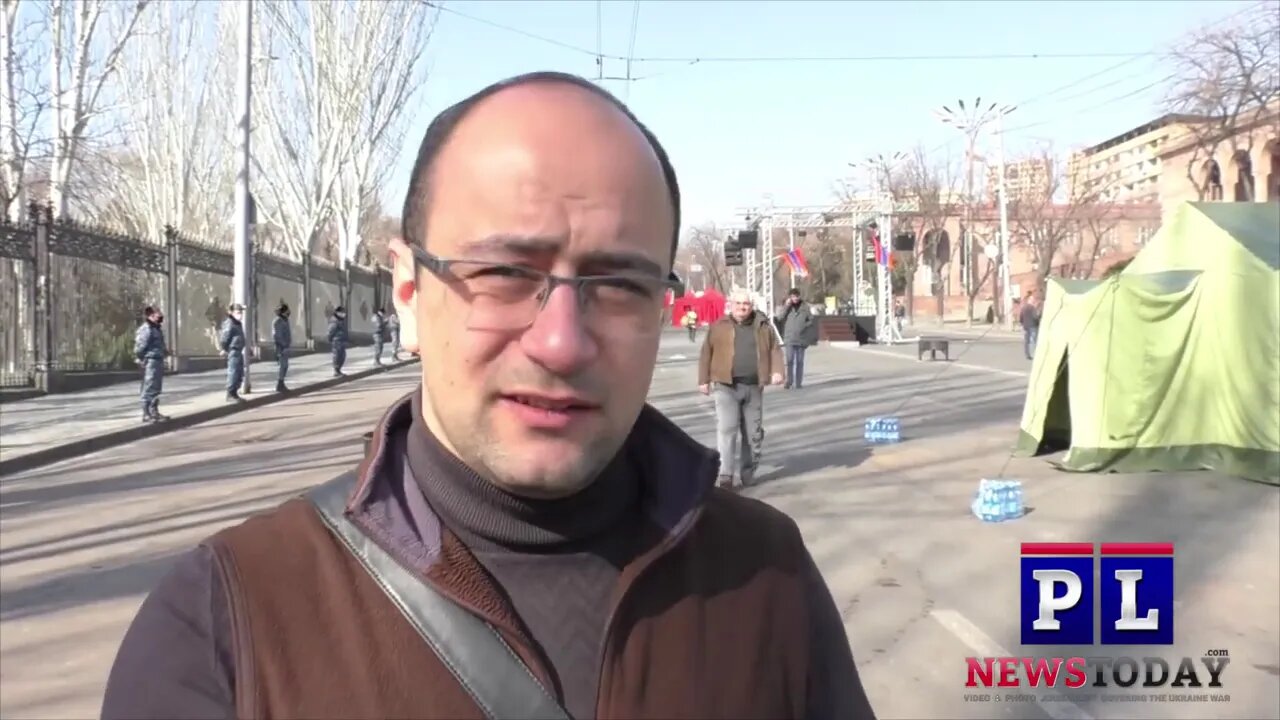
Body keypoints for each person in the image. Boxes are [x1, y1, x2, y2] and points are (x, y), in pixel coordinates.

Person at [101, 71, 876, 720]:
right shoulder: (226, 621)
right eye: (505, 274)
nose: (562, 342)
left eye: (619, 286)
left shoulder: (765, 576)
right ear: (407, 290)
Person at [698, 288, 784, 489]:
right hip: (726, 385)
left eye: (745, 304)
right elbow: (705, 353)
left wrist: (778, 370)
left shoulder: (763, 326)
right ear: (731, 305)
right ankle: (726, 475)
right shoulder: (719, 326)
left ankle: (747, 472)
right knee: (727, 429)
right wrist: (703, 380)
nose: (742, 307)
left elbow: (775, 349)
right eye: (738, 304)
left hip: (754, 386)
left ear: (751, 306)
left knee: (752, 433)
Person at [133, 305, 168, 423]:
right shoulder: (146, 329)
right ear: (151, 315)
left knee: (156, 387)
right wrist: (141, 358)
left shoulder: (156, 328)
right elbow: (140, 348)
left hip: (158, 360)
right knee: (149, 386)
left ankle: (154, 411)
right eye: (157, 314)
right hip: (151, 361)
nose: (160, 316)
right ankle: (146, 413)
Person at [779, 288, 815, 389]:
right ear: (790, 297)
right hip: (789, 337)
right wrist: (786, 306)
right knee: (789, 360)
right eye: (793, 297)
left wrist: (804, 325)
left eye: (796, 296)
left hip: (801, 338)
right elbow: (779, 317)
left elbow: (811, 319)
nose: (795, 298)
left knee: (799, 361)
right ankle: (789, 381)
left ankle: (799, 382)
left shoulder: (805, 307)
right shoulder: (788, 307)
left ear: (799, 296)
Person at [218, 303, 246, 402]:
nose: (240, 315)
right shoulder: (229, 323)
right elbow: (225, 337)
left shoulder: (237, 323)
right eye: (238, 312)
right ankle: (230, 393)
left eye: (241, 312)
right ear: (232, 313)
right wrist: (224, 349)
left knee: (239, 372)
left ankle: (235, 392)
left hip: (238, 350)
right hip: (233, 350)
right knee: (233, 372)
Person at [272, 303, 292, 393]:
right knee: (282, 365)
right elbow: (277, 336)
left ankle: (281, 382)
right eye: (287, 310)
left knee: (285, 366)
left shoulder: (285, 320)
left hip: (285, 346)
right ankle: (280, 384)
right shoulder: (278, 321)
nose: (289, 312)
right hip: (281, 347)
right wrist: (283, 346)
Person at [1019, 291, 1041, 360]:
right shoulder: (1033, 308)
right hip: (1033, 326)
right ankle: (1034, 354)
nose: (1034, 301)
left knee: (1026, 341)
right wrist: (1039, 318)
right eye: (1033, 300)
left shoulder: (1023, 307)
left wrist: (1022, 323)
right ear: (1031, 301)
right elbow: (1035, 317)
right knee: (1033, 341)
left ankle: (1027, 354)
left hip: (1025, 326)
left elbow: (1021, 317)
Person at [328, 305, 348, 376]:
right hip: (337, 341)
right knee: (337, 356)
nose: (343, 314)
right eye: (341, 312)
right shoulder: (334, 321)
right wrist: (330, 339)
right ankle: (336, 370)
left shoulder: (341, 320)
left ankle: (339, 370)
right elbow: (331, 331)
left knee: (342, 356)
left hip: (342, 341)